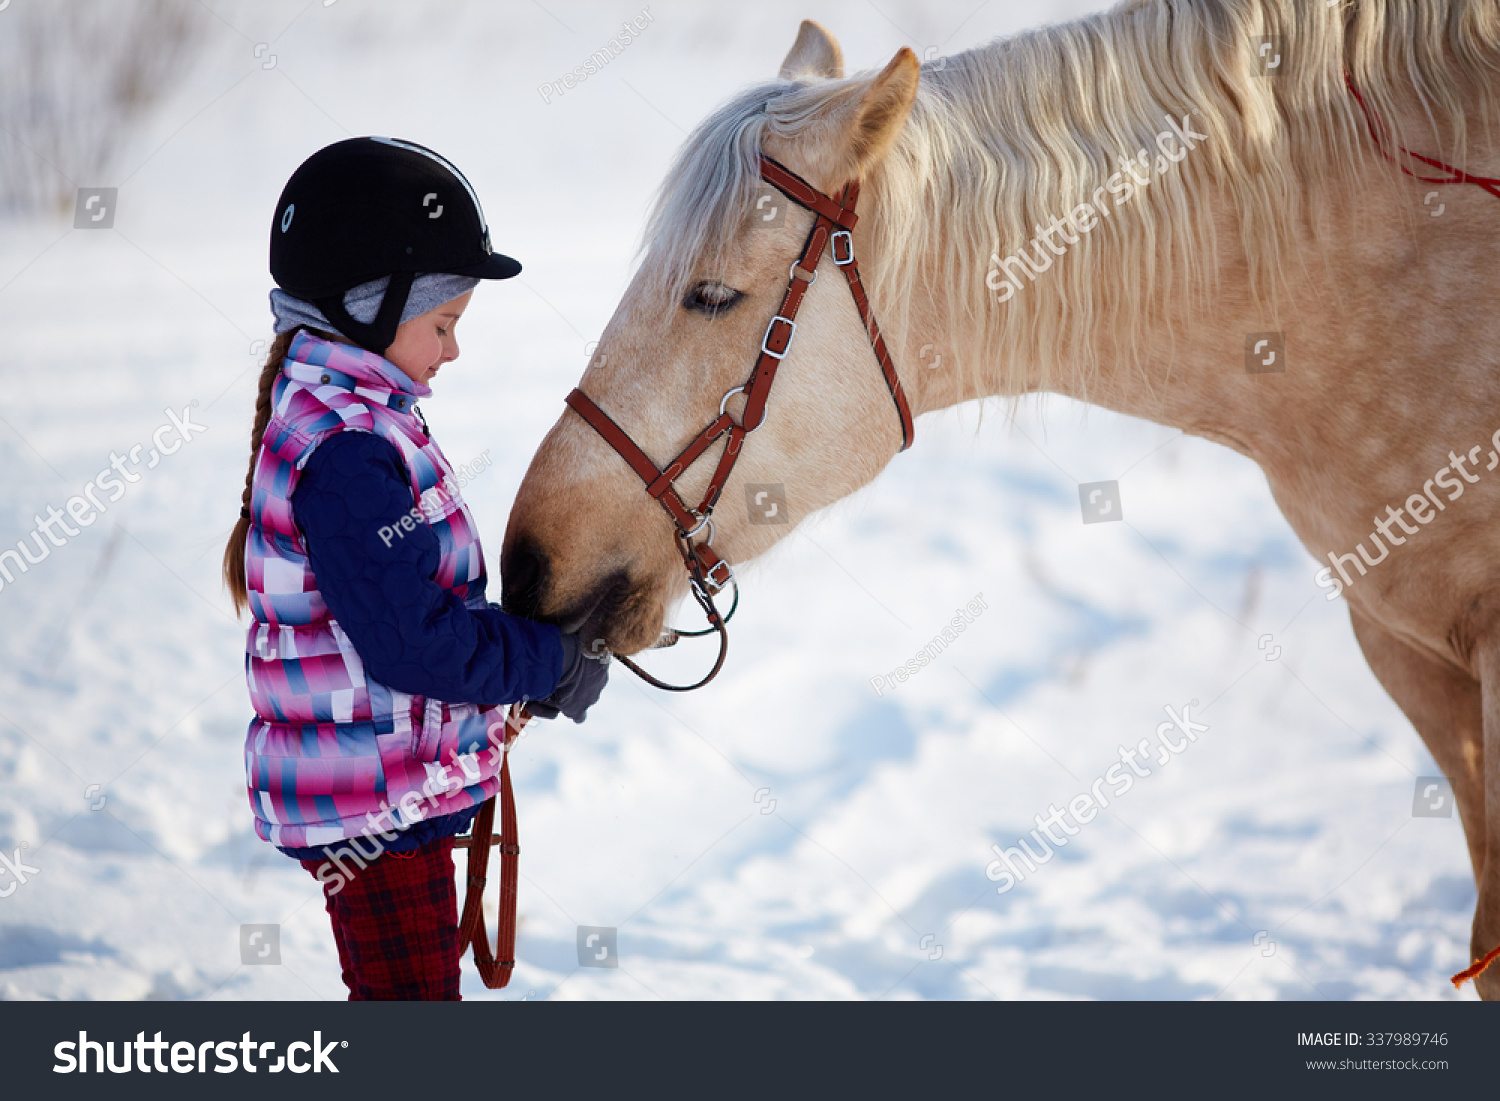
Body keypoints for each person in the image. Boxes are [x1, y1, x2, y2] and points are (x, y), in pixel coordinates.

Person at [221, 137, 607, 1000]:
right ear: (368, 307)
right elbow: (412, 643)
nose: (454, 351)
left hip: (386, 791)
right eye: (444, 324)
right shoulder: (350, 451)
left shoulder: (358, 415)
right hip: (374, 809)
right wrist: (549, 659)